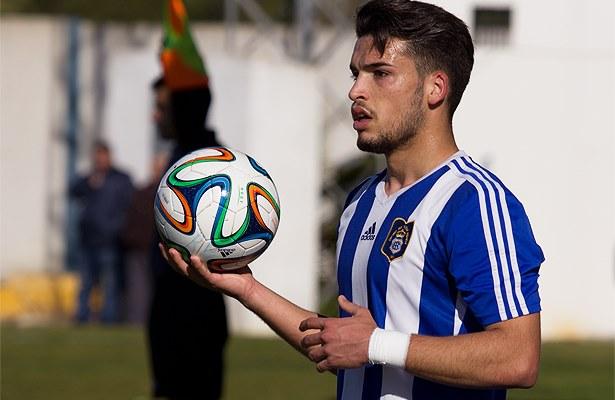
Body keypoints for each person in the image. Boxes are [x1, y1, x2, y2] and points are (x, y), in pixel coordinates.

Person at [161, 1, 545, 399]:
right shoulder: (361, 202)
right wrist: (247, 289)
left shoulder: (475, 202)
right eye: (355, 73)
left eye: (380, 73)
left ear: (435, 88)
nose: (355, 91)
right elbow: (343, 342)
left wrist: (376, 344)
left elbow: (518, 356)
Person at [147, 76, 228, 400]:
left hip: (191, 314)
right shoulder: (180, 152)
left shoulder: (200, 163)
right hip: (169, 305)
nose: (155, 115)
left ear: (182, 111)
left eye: (162, 107)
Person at [70, 140, 133, 324]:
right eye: (97, 157)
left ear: (109, 157)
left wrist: (117, 228)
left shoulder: (120, 179)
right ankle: (82, 315)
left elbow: (128, 204)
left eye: (103, 156)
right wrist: (89, 182)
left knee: (109, 283)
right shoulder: (90, 179)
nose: (100, 160)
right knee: (86, 283)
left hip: (110, 241)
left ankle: (109, 318)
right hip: (88, 240)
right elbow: (72, 190)